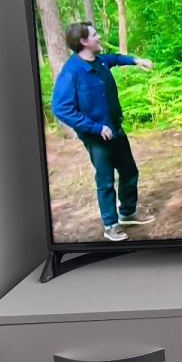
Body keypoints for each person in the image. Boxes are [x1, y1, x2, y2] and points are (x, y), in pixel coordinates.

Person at [52, 23, 155, 242]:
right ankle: (111, 225)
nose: (98, 37)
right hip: (96, 137)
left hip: (115, 129)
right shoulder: (72, 72)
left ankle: (127, 213)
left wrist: (136, 61)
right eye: (94, 35)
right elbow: (61, 108)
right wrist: (95, 128)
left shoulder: (99, 61)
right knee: (106, 181)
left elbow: (114, 59)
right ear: (83, 42)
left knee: (129, 171)